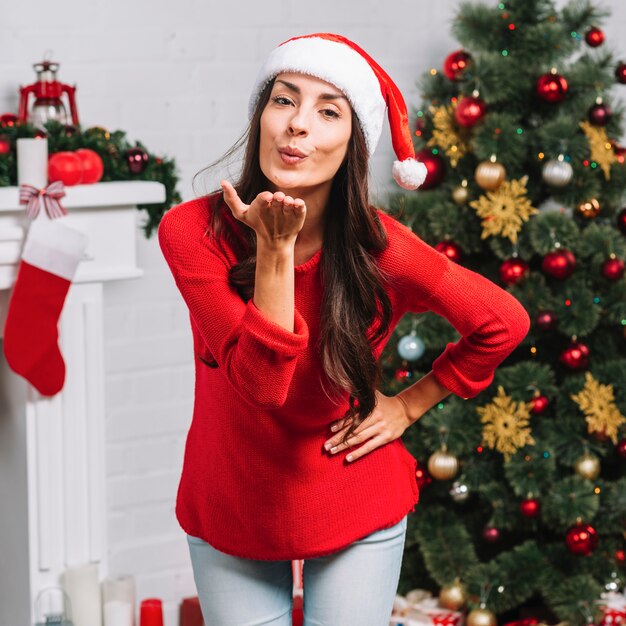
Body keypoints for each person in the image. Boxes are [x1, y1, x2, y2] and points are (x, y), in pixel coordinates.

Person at [158, 33, 530, 626]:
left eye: (328, 110)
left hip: (353, 494)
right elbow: (261, 383)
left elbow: (503, 321)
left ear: (352, 142)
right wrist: (275, 252)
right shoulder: (192, 232)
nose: (296, 126)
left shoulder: (383, 249)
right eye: (284, 101)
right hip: (233, 498)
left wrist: (409, 407)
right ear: (261, 118)